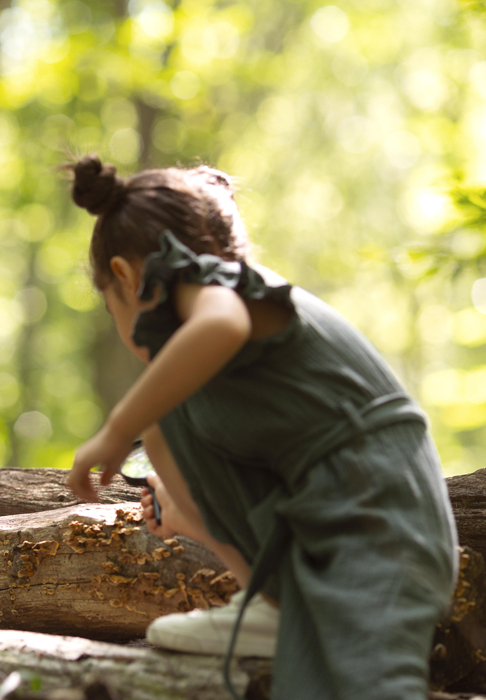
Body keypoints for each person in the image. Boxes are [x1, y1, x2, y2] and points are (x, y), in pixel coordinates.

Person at [66, 155, 458, 700]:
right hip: (335, 514)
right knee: (164, 415)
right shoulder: (221, 349)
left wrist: (114, 430)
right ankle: (272, 605)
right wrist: (188, 511)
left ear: (126, 278)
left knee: (372, 683)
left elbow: (221, 325)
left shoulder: (213, 285)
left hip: (381, 525)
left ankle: (275, 607)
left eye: (113, 311)